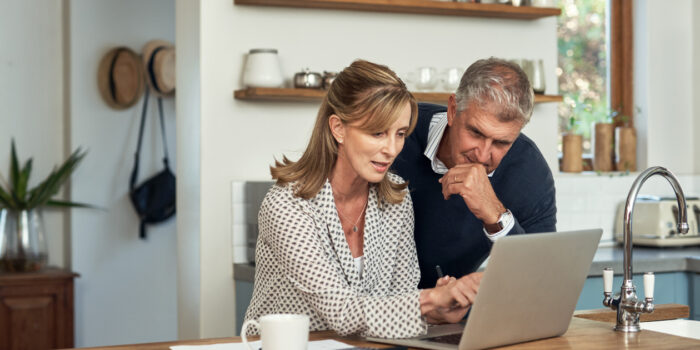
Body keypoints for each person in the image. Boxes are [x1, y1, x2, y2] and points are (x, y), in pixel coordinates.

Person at [244, 60, 480, 338]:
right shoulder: (287, 205)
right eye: (377, 132)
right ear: (338, 128)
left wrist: (435, 313)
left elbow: (399, 299)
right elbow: (340, 311)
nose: (392, 149)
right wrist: (429, 300)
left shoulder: (396, 200)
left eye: (400, 134)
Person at [392, 57, 557, 289]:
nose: (482, 155)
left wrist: (496, 216)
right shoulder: (397, 133)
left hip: (452, 313)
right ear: (452, 109)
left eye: (501, 143)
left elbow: (540, 278)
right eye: (476, 133)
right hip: (374, 309)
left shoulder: (529, 170)